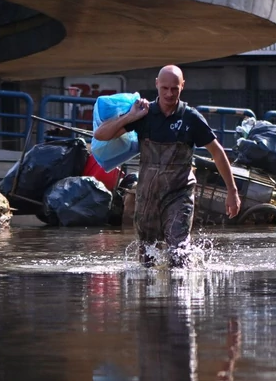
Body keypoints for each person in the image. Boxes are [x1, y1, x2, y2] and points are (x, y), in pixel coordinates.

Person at [93, 65, 240, 266]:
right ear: (156, 84)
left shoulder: (191, 118)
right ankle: (150, 297)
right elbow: (101, 135)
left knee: (178, 253)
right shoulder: (144, 114)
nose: (169, 94)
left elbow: (217, 152)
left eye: (174, 89)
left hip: (179, 194)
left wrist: (232, 191)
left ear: (182, 86)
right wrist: (130, 117)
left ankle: (181, 293)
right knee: (147, 258)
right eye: (164, 88)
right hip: (147, 196)